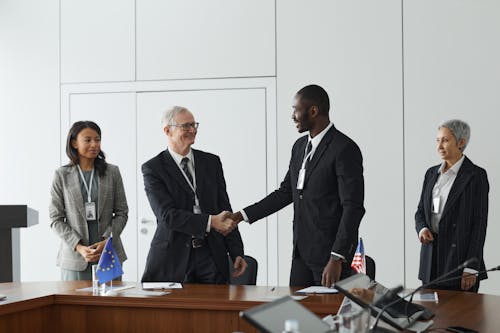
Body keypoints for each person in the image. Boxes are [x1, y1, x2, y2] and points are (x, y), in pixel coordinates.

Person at [228, 84, 365, 287]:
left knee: (327, 317)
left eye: (296, 109)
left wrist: (337, 257)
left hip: (330, 259)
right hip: (300, 255)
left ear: (313, 110)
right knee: (297, 315)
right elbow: (285, 193)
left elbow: (352, 208)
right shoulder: (299, 147)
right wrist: (241, 216)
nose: (293, 116)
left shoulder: (344, 149)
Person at [141, 106, 247, 284]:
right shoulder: (153, 168)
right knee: (174, 311)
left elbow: (225, 208)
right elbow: (167, 215)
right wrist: (210, 221)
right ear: (168, 130)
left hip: (211, 254)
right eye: (186, 126)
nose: (193, 130)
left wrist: (236, 251)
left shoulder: (211, 162)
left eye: (194, 125)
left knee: (215, 309)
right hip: (174, 256)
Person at [415, 119, 489, 292]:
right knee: (430, 314)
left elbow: (479, 224)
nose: (439, 146)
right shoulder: (431, 173)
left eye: (445, 140)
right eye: (438, 140)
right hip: (430, 258)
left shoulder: (476, 175)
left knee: (459, 317)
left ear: (461, 142)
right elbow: (420, 211)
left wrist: (472, 266)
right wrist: (422, 228)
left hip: (459, 261)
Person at [49, 121, 128, 280]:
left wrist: (107, 240)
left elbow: (122, 213)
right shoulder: (61, 175)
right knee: (74, 305)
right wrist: (79, 247)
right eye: (88, 140)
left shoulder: (112, 172)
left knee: (109, 303)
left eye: (97, 140)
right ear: (74, 143)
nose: (94, 144)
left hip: (108, 253)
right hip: (75, 257)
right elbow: (55, 219)